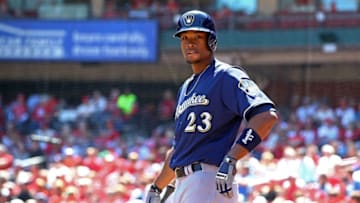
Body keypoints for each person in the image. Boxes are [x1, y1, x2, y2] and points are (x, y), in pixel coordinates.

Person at [145, 9, 278, 203]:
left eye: (197, 37)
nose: (189, 43)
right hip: (184, 181)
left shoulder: (226, 75)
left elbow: (266, 115)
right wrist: (157, 187)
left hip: (207, 177)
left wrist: (232, 158)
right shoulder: (186, 87)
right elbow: (179, 149)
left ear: (212, 41)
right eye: (184, 38)